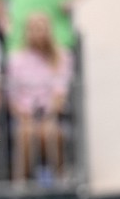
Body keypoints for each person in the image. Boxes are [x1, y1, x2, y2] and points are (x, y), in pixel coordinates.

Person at [6, 11, 73, 184]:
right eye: (33, 29)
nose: (38, 33)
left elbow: (60, 92)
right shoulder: (16, 60)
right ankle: (22, 182)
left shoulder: (62, 57)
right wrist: (25, 114)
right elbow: (13, 96)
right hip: (24, 117)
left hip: (53, 115)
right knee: (26, 133)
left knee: (50, 132)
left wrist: (49, 114)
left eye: (41, 29)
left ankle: (60, 180)